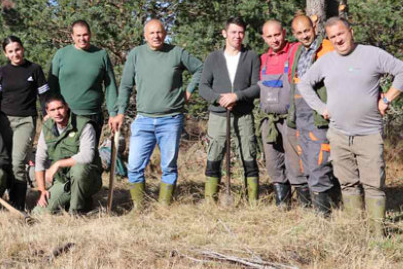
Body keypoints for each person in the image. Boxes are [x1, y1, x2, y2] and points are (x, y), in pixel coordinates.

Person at [298, 17, 403, 234]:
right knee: (347, 184)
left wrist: (387, 99)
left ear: (351, 31)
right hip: (339, 134)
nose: (338, 40)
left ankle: (377, 235)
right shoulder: (326, 61)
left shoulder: (372, 54)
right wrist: (321, 107)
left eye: (341, 34)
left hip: (368, 133)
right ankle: (355, 231)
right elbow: (304, 84)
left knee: (373, 185)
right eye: (333, 37)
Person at [111, 19, 203, 209]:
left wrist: (189, 91)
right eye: (151, 33)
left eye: (159, 32)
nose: (156, 36)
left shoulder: (176, 52)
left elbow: (200, 69)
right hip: (143, 119)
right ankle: (139, 207)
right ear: (145, 36)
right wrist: (120, 112)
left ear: (165, 33)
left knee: (168, 166)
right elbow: (126, 85)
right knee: (135, 167)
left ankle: (164, 208)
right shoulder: (136, 54)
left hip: (170, 120)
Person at [199, 16, 261, 204]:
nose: (237, 36)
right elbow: (203, 87)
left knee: (248, 155)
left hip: (243, 115)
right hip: (218, 116)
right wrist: (220, 99)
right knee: (214, 156)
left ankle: (251, 200)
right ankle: (211, 199)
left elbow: (258, 86)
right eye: (233, 32)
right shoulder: (213, 58)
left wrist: (237, 96)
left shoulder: (251, 57)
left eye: (241, 32)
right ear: (225, 33)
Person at [0, 35, 49, 210]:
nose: (15, 54)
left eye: (18, 49)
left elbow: (44, 95)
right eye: (11, 51)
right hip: (3, 121)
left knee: (17, 163)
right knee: (2, 161)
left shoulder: (34, 69)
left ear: (22, 48)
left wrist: (46, 114)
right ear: (6, 54)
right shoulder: (1, 72)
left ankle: (17, 206)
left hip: (25, 121)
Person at [286, 14, 336, 214]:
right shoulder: (298, 51)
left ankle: (324, 213)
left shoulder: (327, 48)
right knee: (305, 161)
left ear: (314, 27)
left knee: (319, 161)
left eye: (307, 30)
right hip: (300, 114)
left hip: (318, 114)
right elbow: (294, 84)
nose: (304, 36)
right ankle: (312, 211)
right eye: (299, 33)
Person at [257, 19, 306, 208]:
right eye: (269, 36)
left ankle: (305, 202)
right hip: (268, 120)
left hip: (291, 118)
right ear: (264, 38)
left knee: (295, 160)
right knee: (272, 161)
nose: (274, 40)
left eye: (277, 34)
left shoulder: (294, 51)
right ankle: (282, 203)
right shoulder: (262, 59)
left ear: (284, 33)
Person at [47, 20, 118, 138]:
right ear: (72, 36)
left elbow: (110, 86)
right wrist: (51, 111)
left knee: (90, 155)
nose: (82, 38)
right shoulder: (61, 54)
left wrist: (113, 113)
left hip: (93, 115)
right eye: (78, 35)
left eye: (85, 35)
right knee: (66, 154)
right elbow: (51, 85)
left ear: (90, 34)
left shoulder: (101, 55)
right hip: (66, 116)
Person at [33, 94, 102, 215]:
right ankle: (79, 203)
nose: (57, 113)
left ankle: (76, 212)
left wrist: (58, 164)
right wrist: (42, 189)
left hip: (88, 178)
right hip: (64, 180)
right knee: (39, 213)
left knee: (79, 169)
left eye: (60, 108)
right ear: (47, 112)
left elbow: (87, 156)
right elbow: (40, 158)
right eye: (52, 110)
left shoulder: (84, 125)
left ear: (67, 107)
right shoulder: (47, 128)